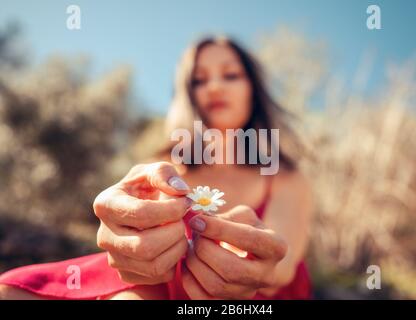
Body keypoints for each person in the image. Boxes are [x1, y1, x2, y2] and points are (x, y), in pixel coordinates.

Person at [0, 35, 313, 300]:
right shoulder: (164, 167)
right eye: (199, 80)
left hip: (260, 297)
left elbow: (282, 267)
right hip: (158, 284)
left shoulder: (284, 177)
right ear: (187, 94)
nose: (214, 87)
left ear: (253, 90)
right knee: (12, 290)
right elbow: (132, 234)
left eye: (230, 75)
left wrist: (263, 265)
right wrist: (124, 230)